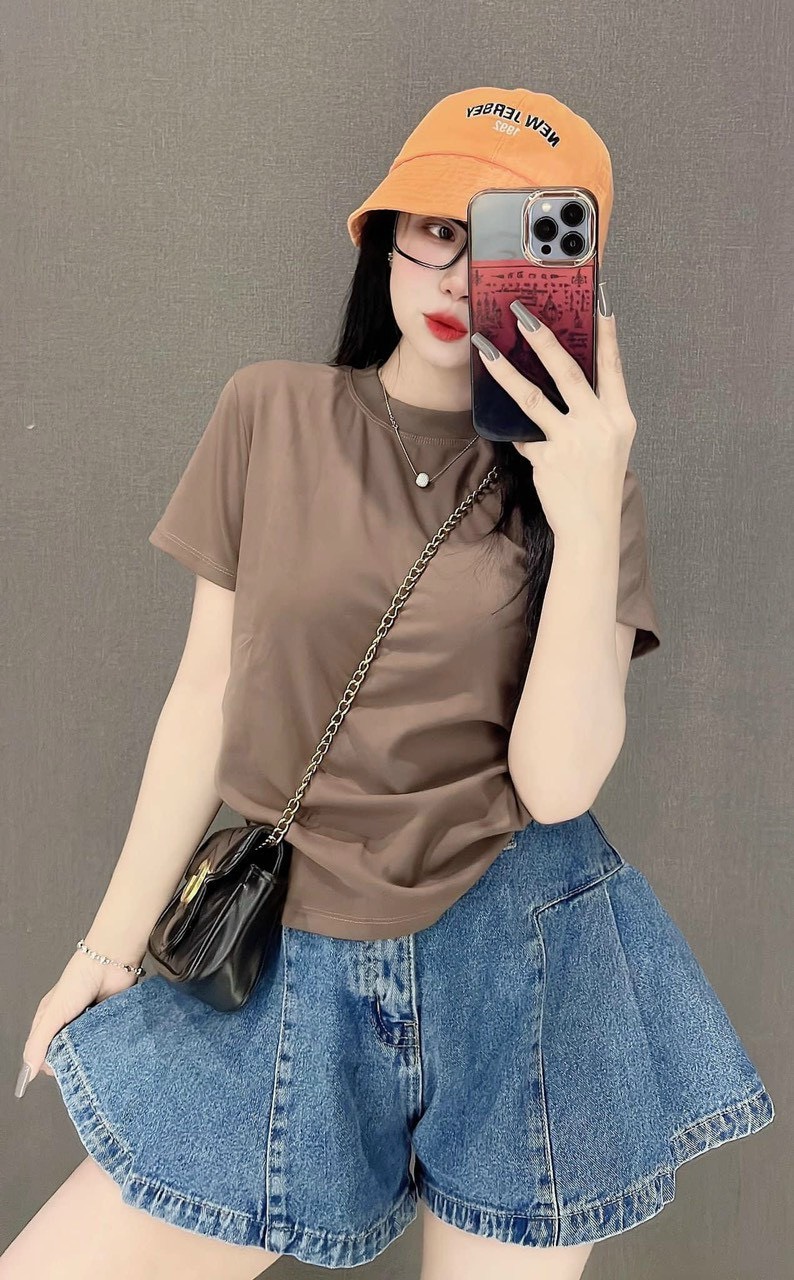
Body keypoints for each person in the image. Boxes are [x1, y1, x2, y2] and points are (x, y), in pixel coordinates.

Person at [4, 86, 774, 1280]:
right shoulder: (268, 412)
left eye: (505, 241)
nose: (459, 273)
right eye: (435, 228)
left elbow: (555, 784)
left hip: (521, 957)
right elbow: (204, 695)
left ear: (564, 278)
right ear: (383, 237)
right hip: (286, 948)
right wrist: (107, 947)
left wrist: (582, 506)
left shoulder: (585, 490)